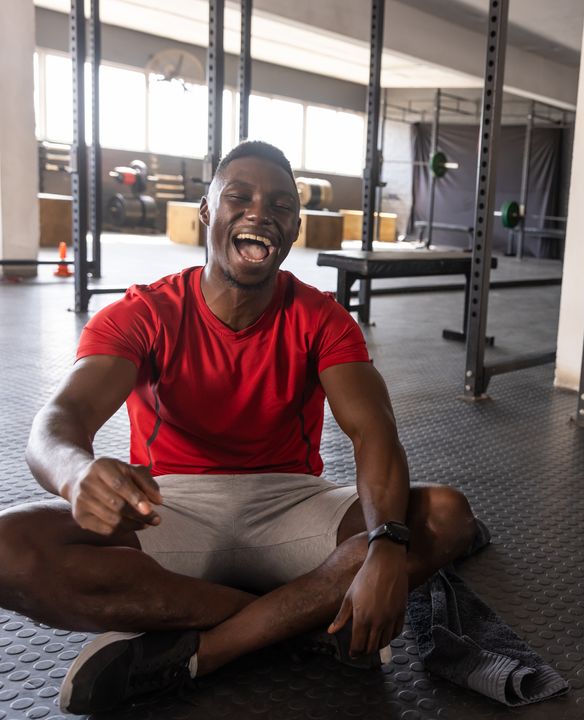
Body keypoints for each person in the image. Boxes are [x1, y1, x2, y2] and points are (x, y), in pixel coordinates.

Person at [0, 140, 483, 714]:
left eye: (280, 204)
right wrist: (77, 474)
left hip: (292, 500)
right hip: (170, 504)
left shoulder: (322, 318)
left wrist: (386, 546)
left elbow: (373, 431)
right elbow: (59, 419)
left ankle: (210, 647)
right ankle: (303, 618)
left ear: (294, 230)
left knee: (444, 516)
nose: (260, 212)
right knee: (8, 548)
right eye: (240, 197)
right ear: (207, 212)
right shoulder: (145, 312)